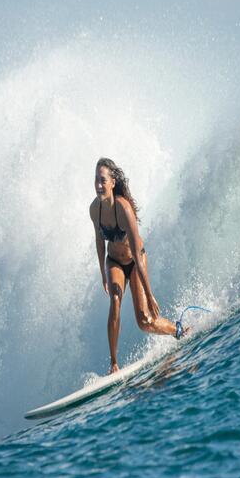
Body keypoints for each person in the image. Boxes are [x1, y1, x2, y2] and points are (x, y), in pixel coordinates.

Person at [89, 157, 186, 373]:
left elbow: (137, 254)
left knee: (144, 321)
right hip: (114, 261)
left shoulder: (124, 210)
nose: (98, 185)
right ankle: (114, 363)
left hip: (135, 261)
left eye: (102, 180)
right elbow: (99, 240)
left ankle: (177, 330)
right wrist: (103, 274)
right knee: (115, 298)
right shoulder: (94, 210)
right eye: (96, 180)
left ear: (113, 182)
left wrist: (150, 295)